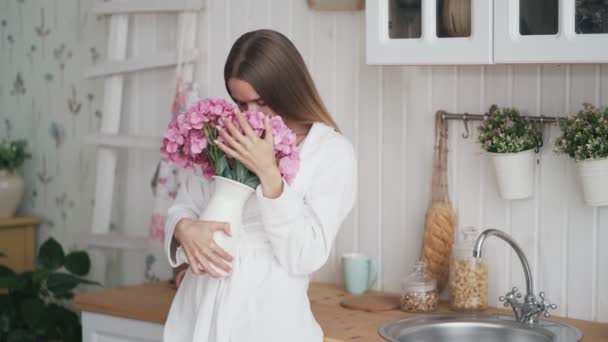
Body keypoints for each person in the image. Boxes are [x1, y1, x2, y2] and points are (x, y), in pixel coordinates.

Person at [163, 29, 357, 342]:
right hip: (199, 315)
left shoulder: (331, 152)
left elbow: (306, 255)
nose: (250, 116)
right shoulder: (222, 134)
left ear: (289, 90)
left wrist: (269, 174)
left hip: (269, 322)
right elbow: (185, 206)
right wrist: (183, 229)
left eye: (262, 102)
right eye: (240, 104)